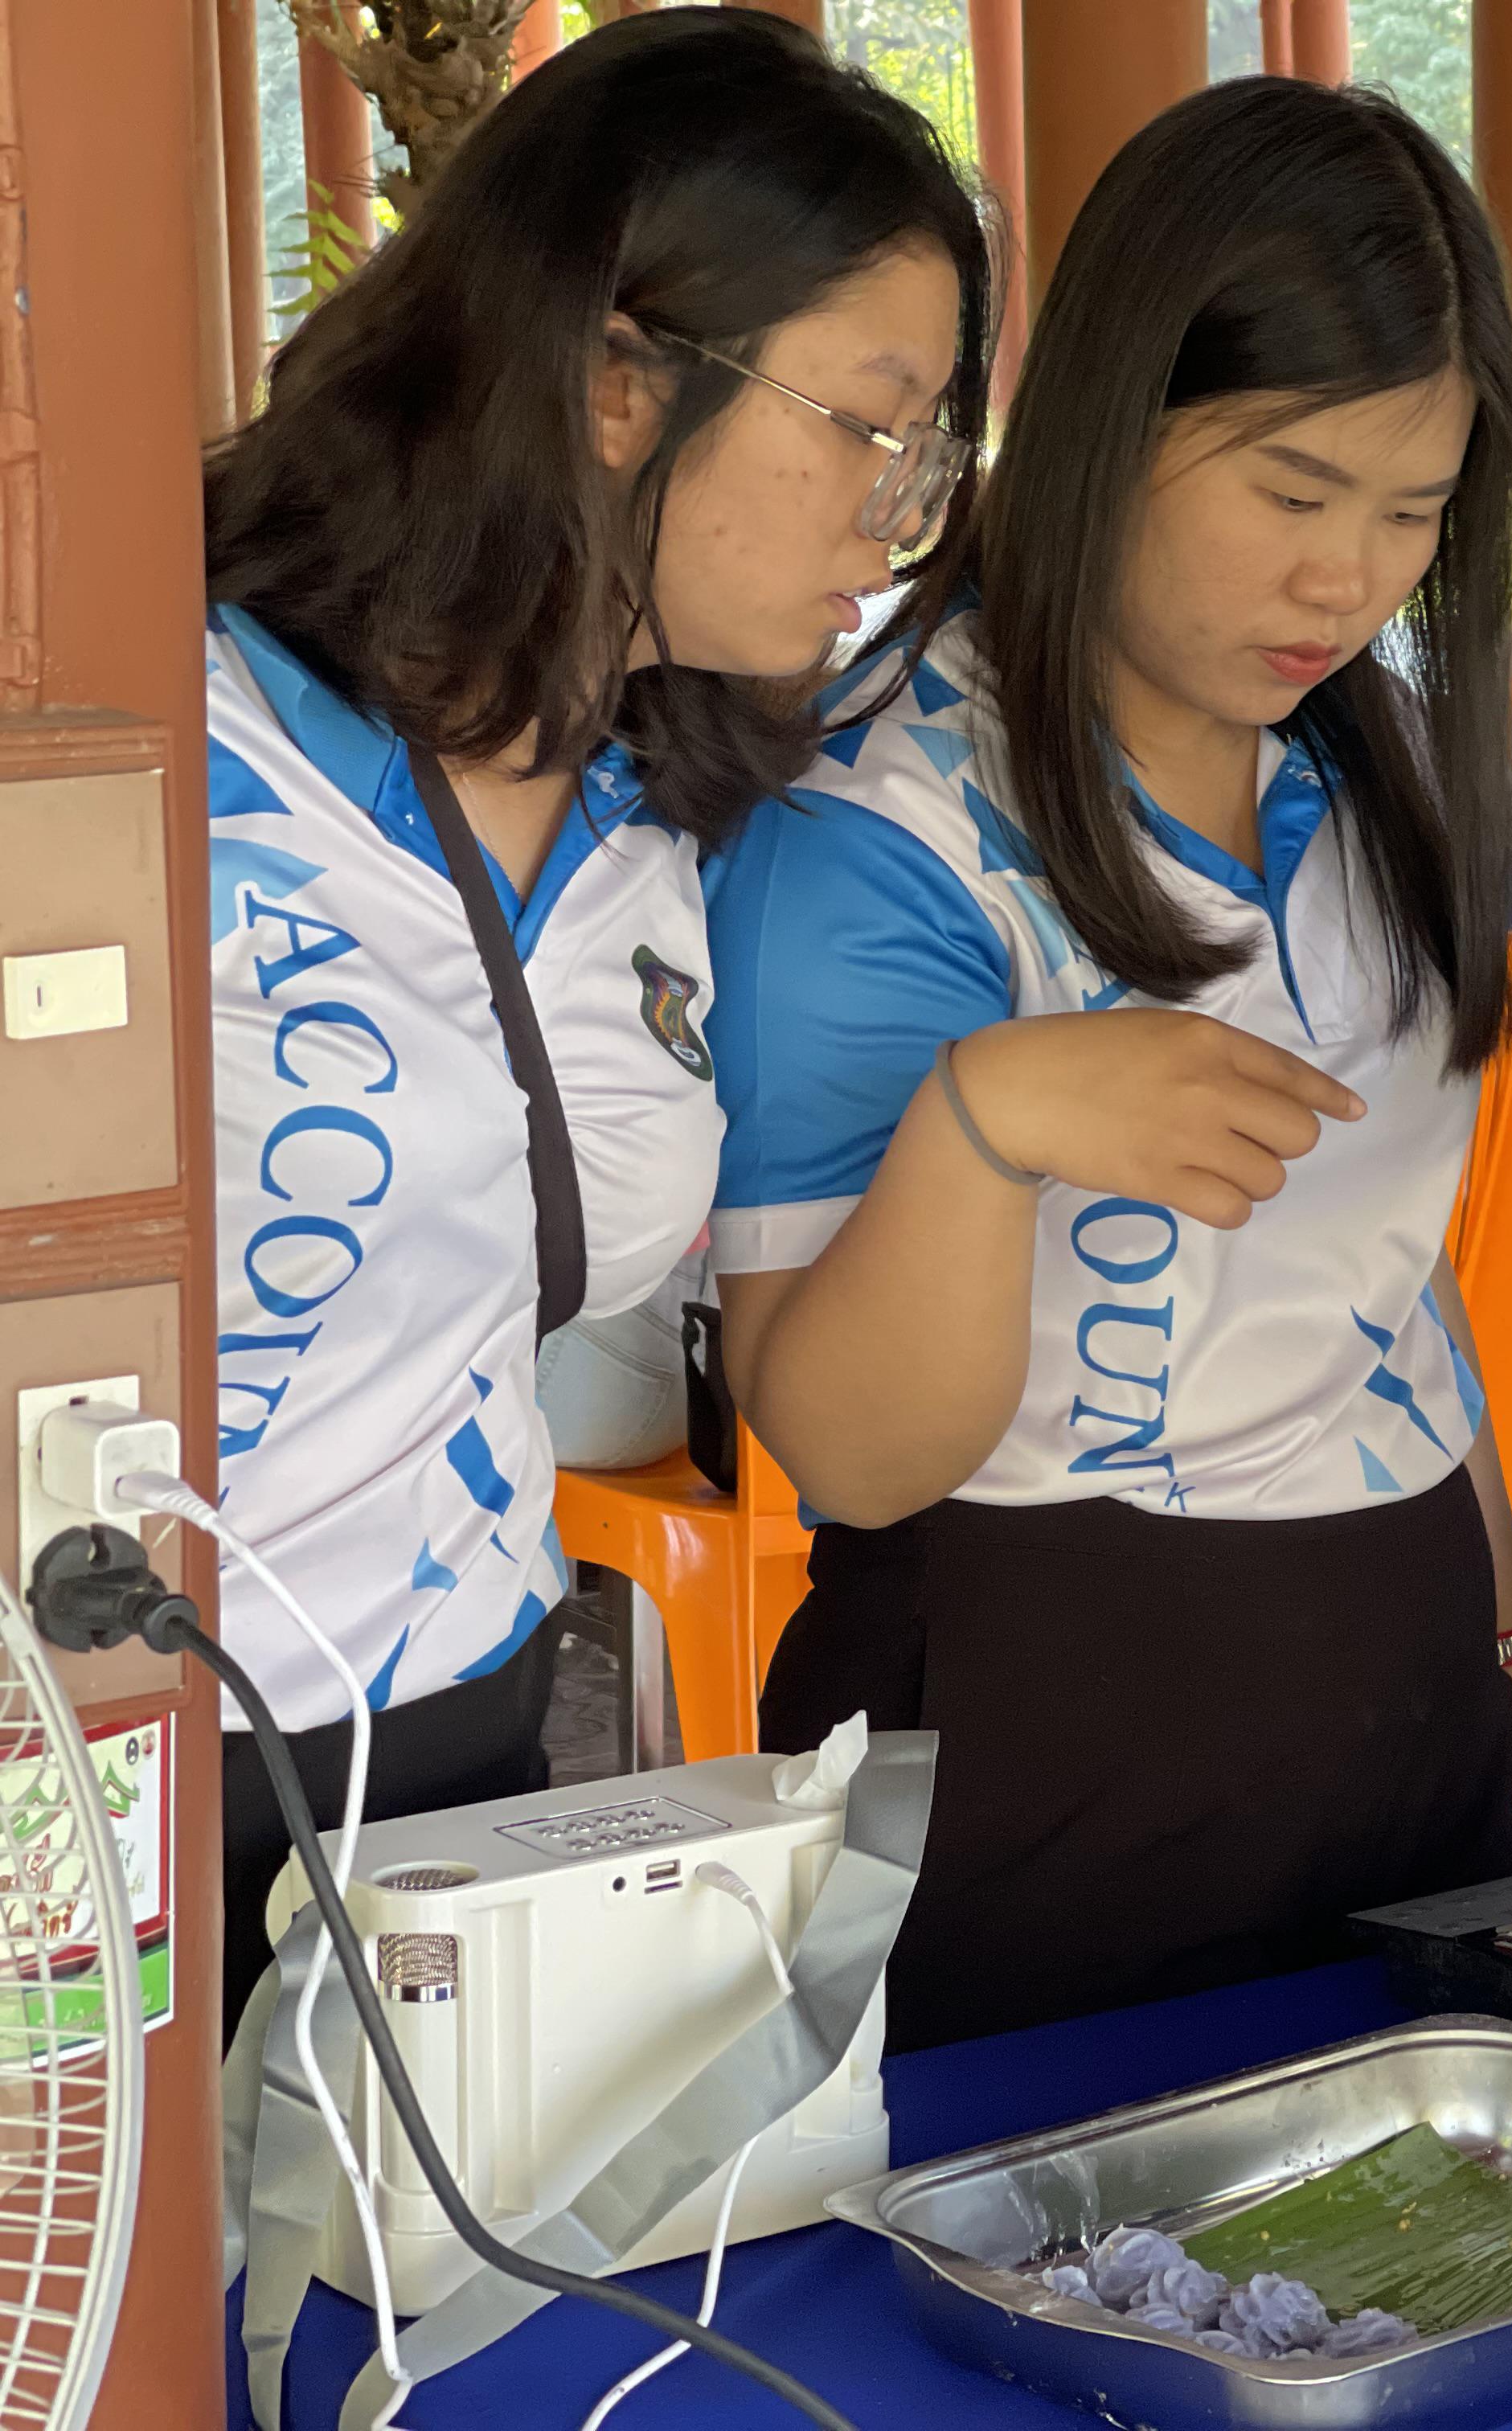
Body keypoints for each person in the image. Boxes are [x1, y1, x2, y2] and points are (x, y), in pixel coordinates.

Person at [704, 77, 1512, 2052]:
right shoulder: (886, 823)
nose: (1348, 583)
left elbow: (1386, 1265)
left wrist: (1504, 1625)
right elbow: (845, 1448)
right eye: (1290, 492)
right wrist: (991, 1126)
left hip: (1400, 1671)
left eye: (1414, 513)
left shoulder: (1380, 757)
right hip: (1044, 1710)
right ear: (1108, 422)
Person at [199, 9, 986, 2022]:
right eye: (869, 422)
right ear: (616, 380)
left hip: (454, 1764)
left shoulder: (679, 821)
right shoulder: (181, 748)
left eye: (934, 447)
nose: (897, 512)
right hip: (96, 1792)